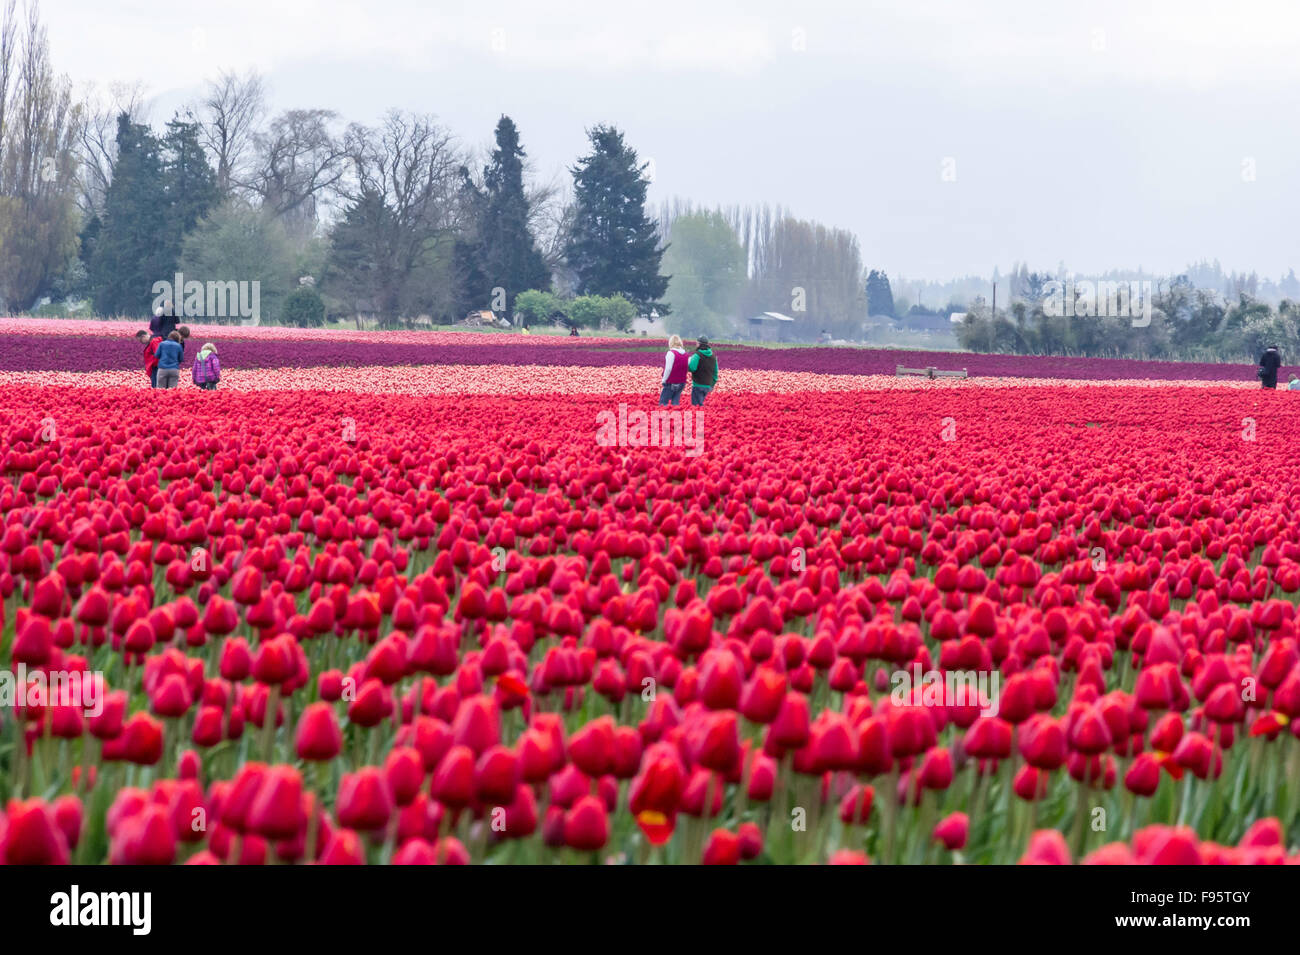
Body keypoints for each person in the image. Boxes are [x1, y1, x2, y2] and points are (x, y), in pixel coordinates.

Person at [688, 336, 719, 406]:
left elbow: (692, 368)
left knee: (697, 408)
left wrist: (688, 364)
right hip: (708, 386)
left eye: (697, 343)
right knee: (703, 407)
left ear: (699, 344)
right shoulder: (713, 356)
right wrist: (712, 385)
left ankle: (699, 417)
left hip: (698, 385)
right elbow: (715, 372)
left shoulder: (697, 355)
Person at [659, 334, 688, 406]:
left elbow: (668, 368)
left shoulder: (671, 353)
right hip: (681, 382)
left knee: (663, 403)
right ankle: (675, 417)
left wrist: (664, 380)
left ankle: (665, 417)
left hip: (671, 382)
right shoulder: (685, 354)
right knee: (675, 403)